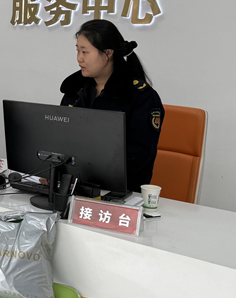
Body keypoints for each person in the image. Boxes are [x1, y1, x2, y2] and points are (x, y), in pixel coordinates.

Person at [60, 19, 164, 192]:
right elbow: (61, 139)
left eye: (85, 52)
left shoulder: (141, 97)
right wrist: (56, 172)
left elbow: (137, 157)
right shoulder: (75, 91)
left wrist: (86, 180)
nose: (79, 59)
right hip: (73, 187)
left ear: (108, 53)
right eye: (77, 51)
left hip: (119, 193)